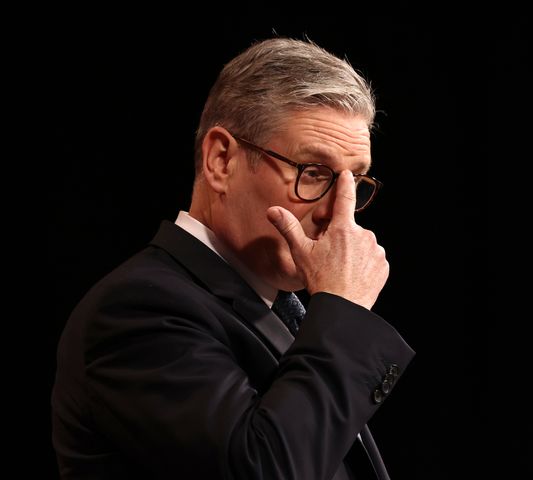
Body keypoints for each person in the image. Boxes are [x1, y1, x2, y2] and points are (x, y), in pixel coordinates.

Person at [51, 37, 415, 480]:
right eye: (313, 172)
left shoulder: (280, 308)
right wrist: (345, 310)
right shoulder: (136, 312)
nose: (335, 214)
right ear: (221, 160)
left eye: (354, 182)